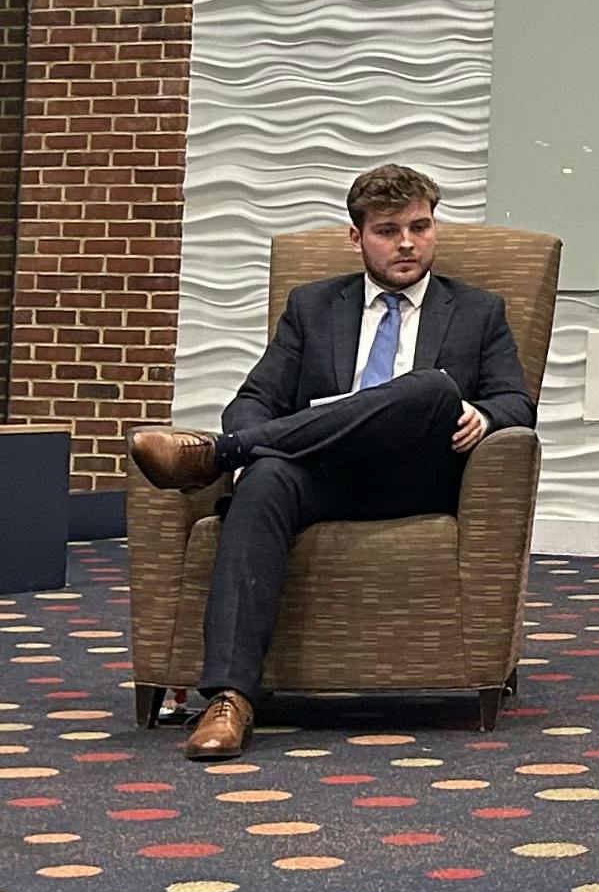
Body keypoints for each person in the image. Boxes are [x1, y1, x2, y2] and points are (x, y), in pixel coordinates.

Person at [127, 164, 537, 761]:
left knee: (433, 389)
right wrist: (263, 441)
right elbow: (255, 400)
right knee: (265, 479)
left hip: (415, 479)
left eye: (420, 227)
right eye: (388, 231)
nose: (407, 243)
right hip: (320, 475)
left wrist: (488, 416)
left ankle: (219, 455)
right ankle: (229, 701)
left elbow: (517, 401)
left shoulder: (477, 310)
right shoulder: (313, 306)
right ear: (356, 237)